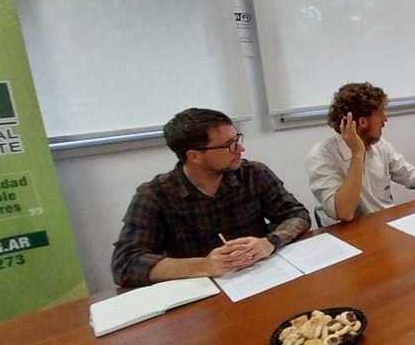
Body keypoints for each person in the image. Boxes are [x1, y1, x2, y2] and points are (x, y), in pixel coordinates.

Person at [111, 108, 311, 287]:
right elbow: (125, 264)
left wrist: (268, 243)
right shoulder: (155, 195)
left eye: (238, 139)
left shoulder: (253, 173)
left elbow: (297, 215)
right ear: (194, 156)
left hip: (262, 279)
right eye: (229, 145)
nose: (241, 149)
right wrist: (204, 265)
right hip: (201, 295)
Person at [306, 82, 415, 222]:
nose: (385, 119)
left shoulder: (380, 146)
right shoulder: (322, 155)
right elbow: (344, 212)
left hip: (383, 225)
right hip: (349, 240)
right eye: (380, 113)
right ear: (362, 122)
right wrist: (357, 155)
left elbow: (413, 175)